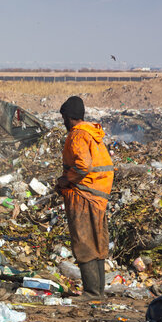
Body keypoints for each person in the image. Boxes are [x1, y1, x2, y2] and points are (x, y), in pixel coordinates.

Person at [55, 95, 113, 300]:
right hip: (99, 194)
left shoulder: (77, 135)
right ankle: (99, 292)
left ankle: (91, 292)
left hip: (83, 194)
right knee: (98, 243)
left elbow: (83, 165)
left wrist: (65, 181)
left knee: (84, 241)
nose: (63, 123)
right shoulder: (93, 133)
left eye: (63, 118)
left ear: (69, 118)